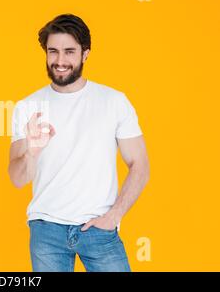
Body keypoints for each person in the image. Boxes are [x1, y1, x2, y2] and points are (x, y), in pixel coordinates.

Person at [8, 14, 150, 272]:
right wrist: (32, 152)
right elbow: (17, 179)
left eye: (69, 52)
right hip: (46, 231)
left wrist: (114, 216)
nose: (60, 61)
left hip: (99, 230)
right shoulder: (27, 107)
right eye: (53, 51)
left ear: (85, 54)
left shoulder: (114, 102)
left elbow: (139, 164)